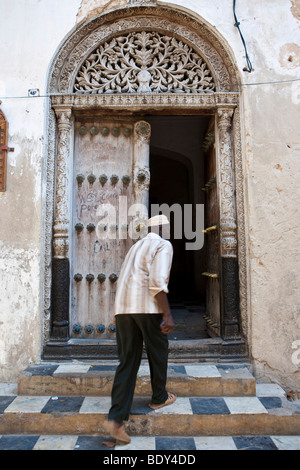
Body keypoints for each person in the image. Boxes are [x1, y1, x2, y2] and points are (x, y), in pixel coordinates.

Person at [103, 214, 176, 444]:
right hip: (148, 308)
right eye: (169, 228)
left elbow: (123, 279)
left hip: (125, 310)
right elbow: (157, 281)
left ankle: (115, 420)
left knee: (127, 362)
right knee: (158, 350)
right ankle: (159, 397)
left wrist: (117, 313)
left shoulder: (136, 247)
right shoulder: (163, 245)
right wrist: (167, 314)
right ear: (163, 229)